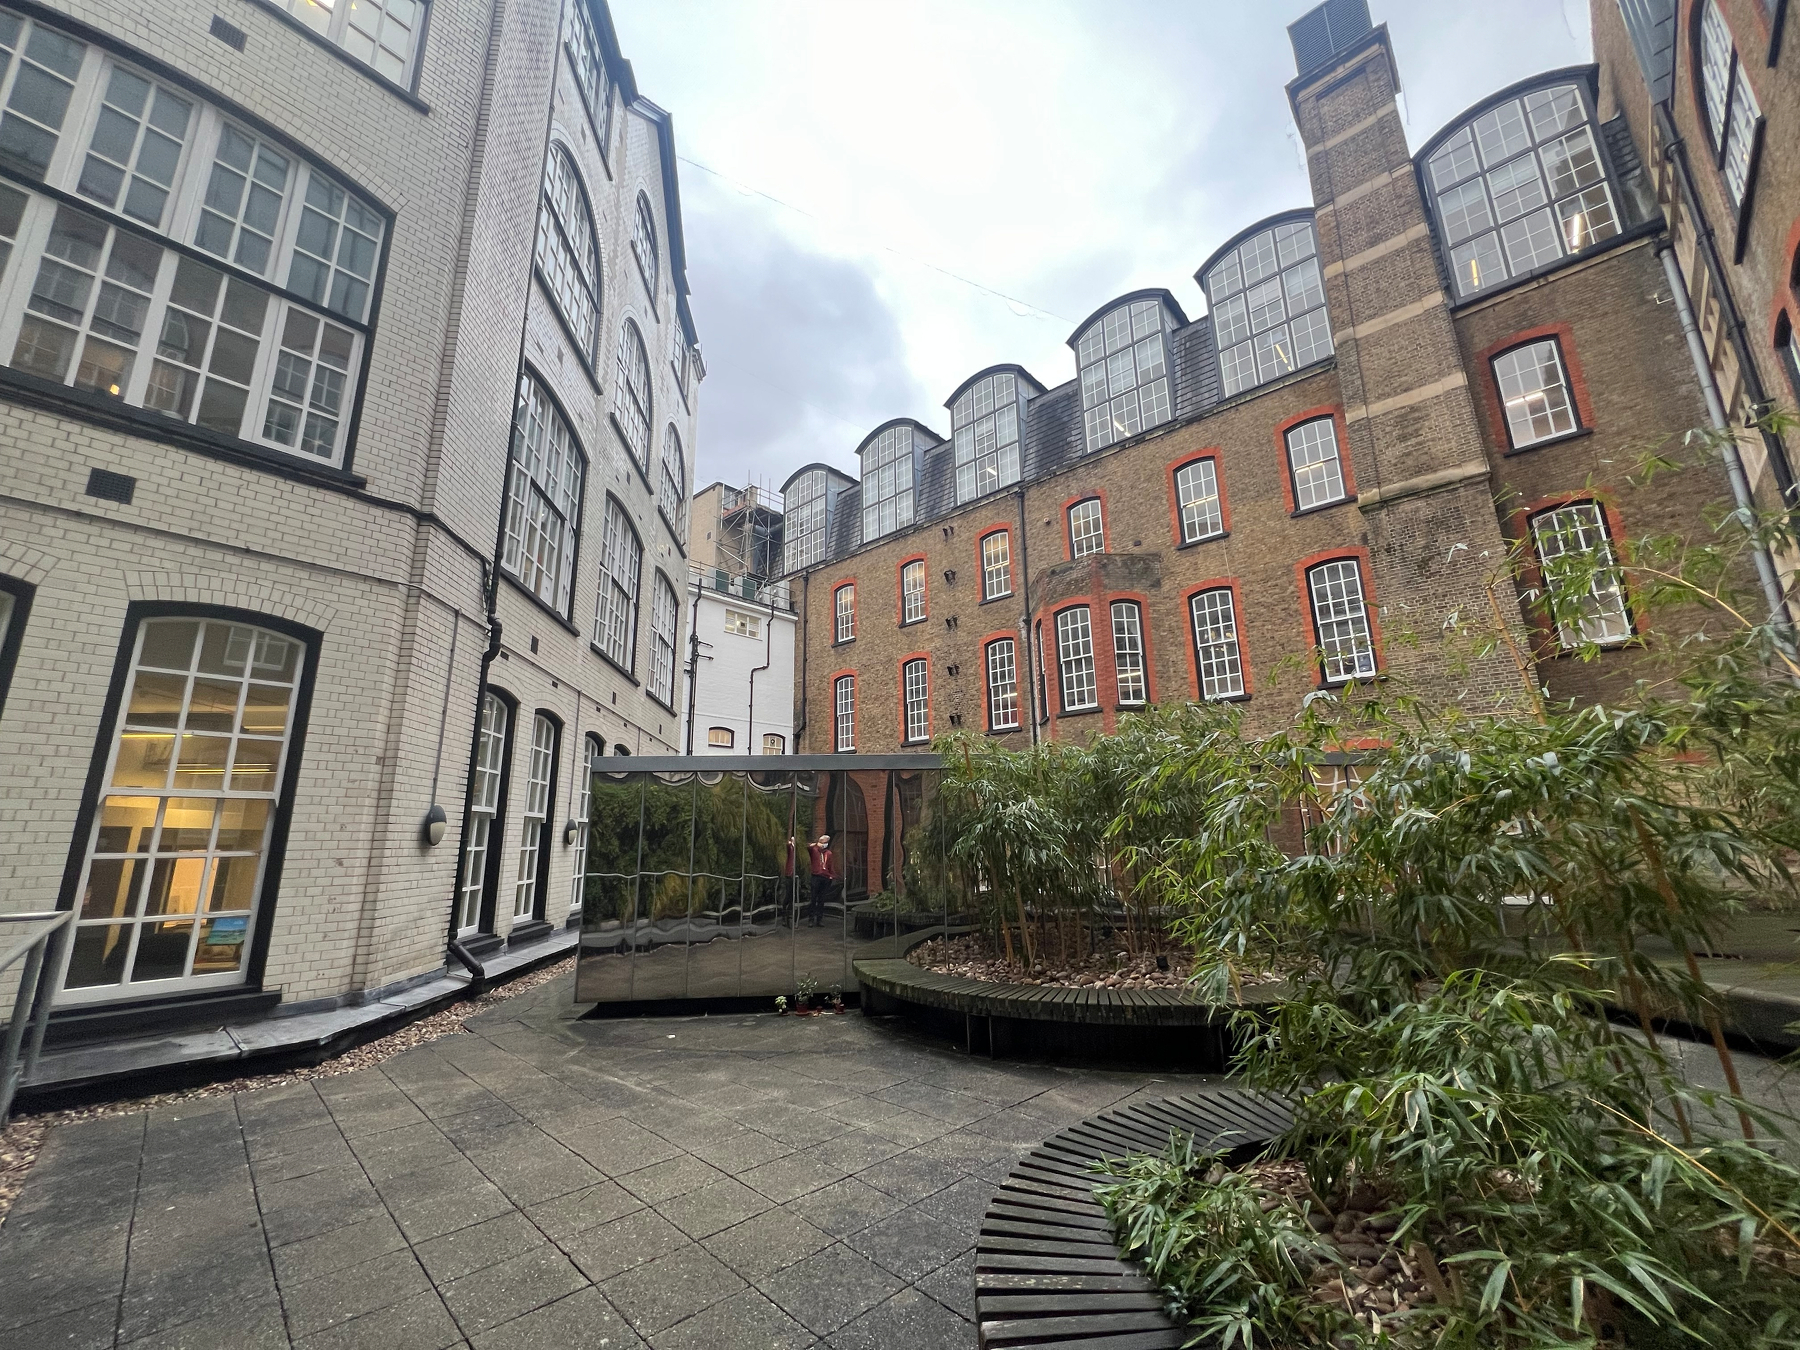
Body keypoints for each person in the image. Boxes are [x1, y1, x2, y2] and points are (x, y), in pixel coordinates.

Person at [788, 832, 835, 927]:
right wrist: (816, 844)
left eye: (826, 842)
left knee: (821, 899)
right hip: (816, 876)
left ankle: (819, 919)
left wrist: (831, 875)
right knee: (813, 898)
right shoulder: (814, 850)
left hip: (825, 877)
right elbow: (807, 848)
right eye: (823, 842)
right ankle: (811, 919)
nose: (824, 844)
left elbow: (830, 866)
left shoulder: (829, 853)